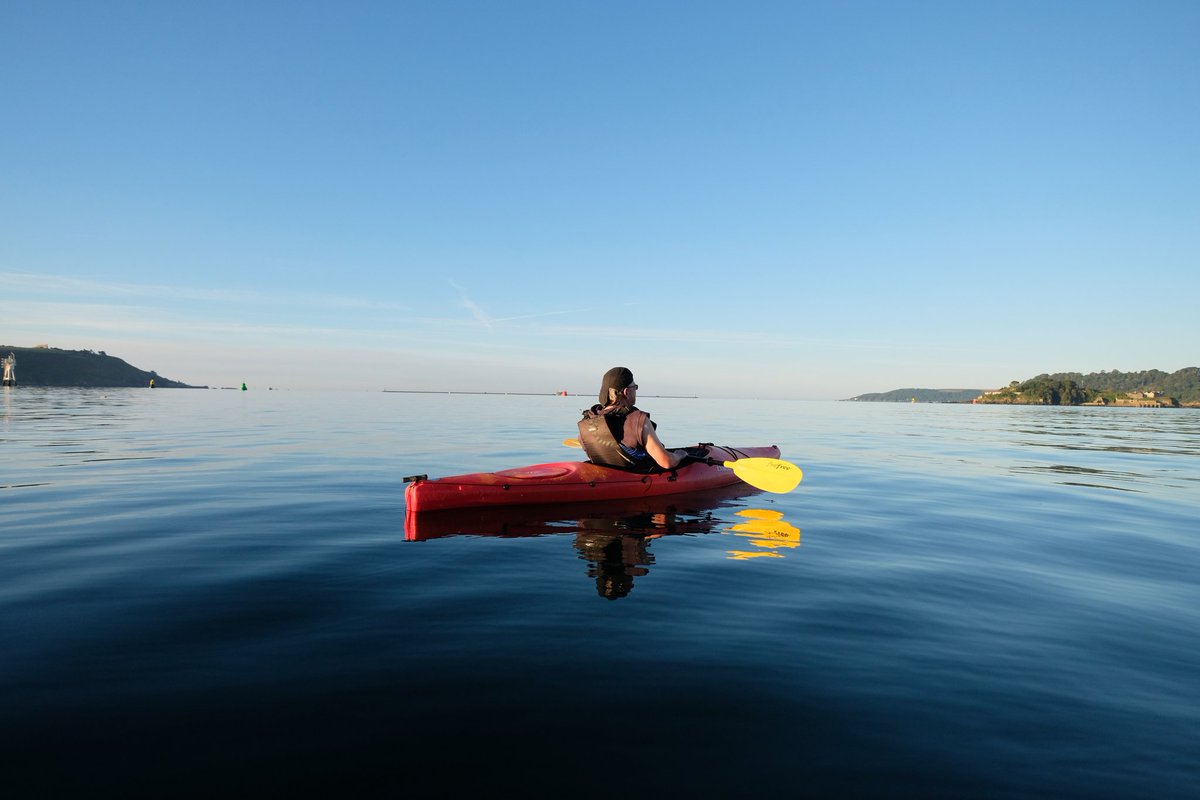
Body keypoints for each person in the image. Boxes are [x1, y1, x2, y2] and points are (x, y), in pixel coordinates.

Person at [577, 366, 686, 471]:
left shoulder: (589, 421)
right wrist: (679, 455)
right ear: (626, 392)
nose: (636, 391)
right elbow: (667, 462)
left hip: (602, 479)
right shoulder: (638, 420)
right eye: (635, 387)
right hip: (637, 480)